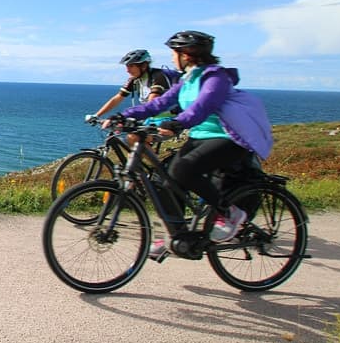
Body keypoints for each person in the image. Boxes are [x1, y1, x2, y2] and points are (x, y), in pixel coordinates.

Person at [106, 31, 273, 259]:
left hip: (228, 138)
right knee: (162, 180)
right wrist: (124, 116)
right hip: (200, 137)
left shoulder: (216, 78)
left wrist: (177, 123)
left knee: (183, 169)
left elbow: (202, 107)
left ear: (186, 55)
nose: (172, 58)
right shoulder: (187, 80)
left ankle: (229, 213)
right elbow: (160, 103)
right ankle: (178, 237)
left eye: (174, 53)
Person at [88, 49, 172, 121]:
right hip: (151, 116)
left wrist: (129, 116)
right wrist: (96, 115)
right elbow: (117, 98)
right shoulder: (134, 79)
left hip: (168, 118)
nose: (127, 70)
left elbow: (151, 103)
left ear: (143, 66)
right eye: (127, 66)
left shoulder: (158, 76)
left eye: (131, 66)